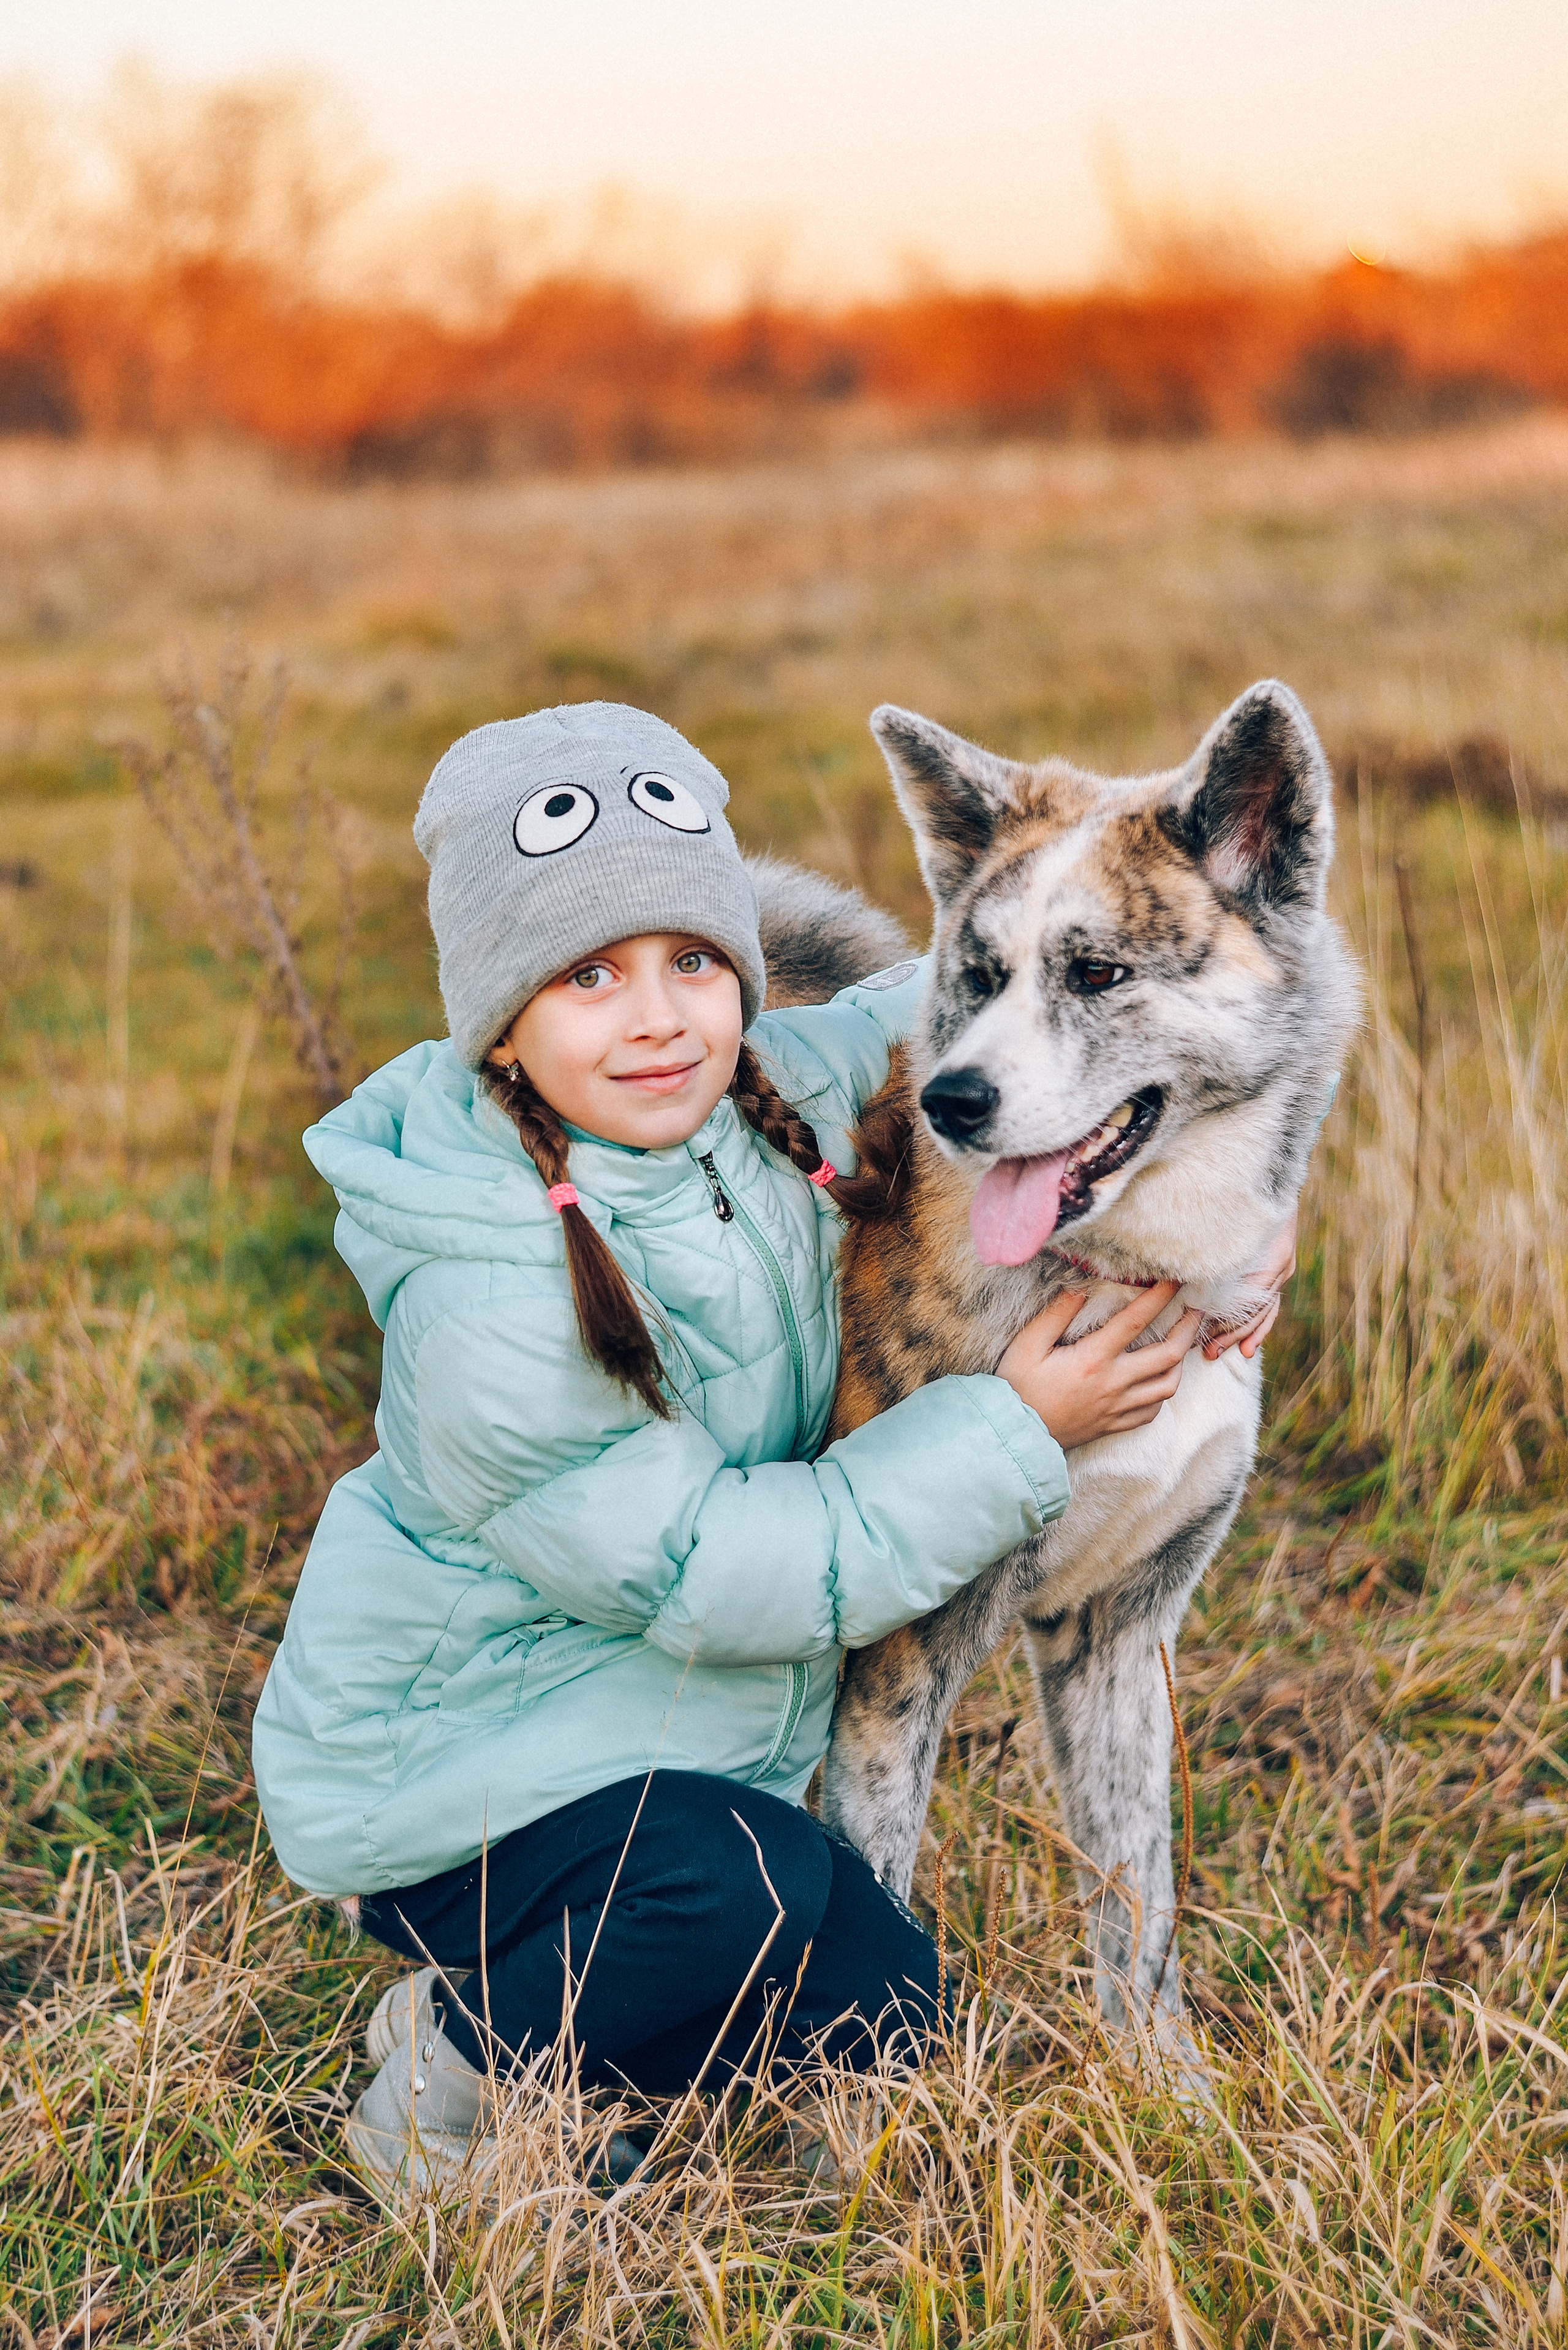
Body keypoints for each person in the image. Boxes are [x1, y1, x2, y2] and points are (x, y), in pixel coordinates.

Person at [251, 701, 1280, 2197]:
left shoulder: (758, 1096)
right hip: (457, 1788)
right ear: (500, 1022)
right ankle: (448, 2063)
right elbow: (720, 1575)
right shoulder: (487, 1296)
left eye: (692, 960)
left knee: (883, 2008)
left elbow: (966, 1001)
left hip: (668, 1752)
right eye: (587, 975)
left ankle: (579, 2018)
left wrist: (1214, 1218)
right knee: (737, 1888)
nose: (656, 1017)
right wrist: (1011, 1427)